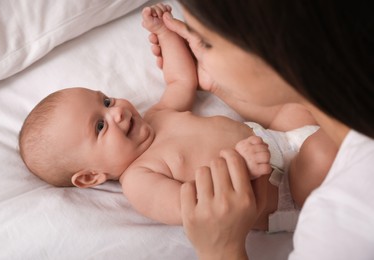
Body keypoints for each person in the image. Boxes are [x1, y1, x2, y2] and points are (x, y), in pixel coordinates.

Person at [19, 4, 329, 231]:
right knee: (324, 149)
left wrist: (163, 33)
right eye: (100, 126)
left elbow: (181, 80)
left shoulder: (158, 116)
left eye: (106, 100)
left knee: (298, 107)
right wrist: (241, 167)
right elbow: (195, 205)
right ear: (90, 176)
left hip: (276, 138)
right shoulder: (140, 180)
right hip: (281, 190)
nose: (116, 112)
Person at [151, 1, 374, 259]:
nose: (196, 49)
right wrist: (219, 84)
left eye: (206, 42)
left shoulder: (344, 225)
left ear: (273, 51)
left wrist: (221, 249)